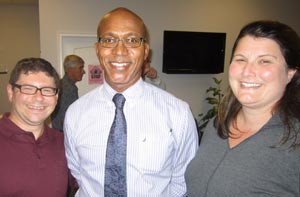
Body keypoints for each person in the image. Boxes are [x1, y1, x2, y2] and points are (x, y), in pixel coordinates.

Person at [64, 7, 198, 196]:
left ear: (145, 51)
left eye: (132, 40)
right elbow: (78, 172)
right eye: (109, 40)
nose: (120, 50)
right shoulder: (75, 113)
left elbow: (183, 182)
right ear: (98, 49)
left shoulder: (178, 114)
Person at [185, 20, 300, 196]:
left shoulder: (295, 139)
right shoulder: (217, 125)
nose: (247, 71)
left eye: (264, 61)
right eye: (240, 59)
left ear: (290, 73)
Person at [0, 58, 69, 196]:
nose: (38, 98)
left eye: (47, 90)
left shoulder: (65, 142)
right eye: (28, 88)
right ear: (11, 92)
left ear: (57, 96)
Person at [51, 54, 85, 131]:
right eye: (80, 68)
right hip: (64, 134)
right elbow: (66, 119)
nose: (83, 71)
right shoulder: (68, 88)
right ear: (70, 70)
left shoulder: (61, 84)